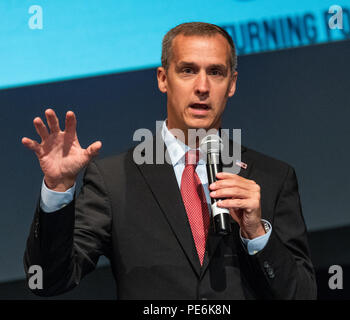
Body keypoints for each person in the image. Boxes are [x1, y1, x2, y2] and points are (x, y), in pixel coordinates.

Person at [22, 22, 317, 299]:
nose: (202, 86)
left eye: (215, 72)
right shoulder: (114, 180)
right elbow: (49, 280)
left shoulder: (272, 177)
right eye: (188, 70)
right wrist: (58, 189)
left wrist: (257, 235)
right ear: (163, 79)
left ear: (232, 83)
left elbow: (302, 295)